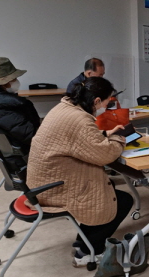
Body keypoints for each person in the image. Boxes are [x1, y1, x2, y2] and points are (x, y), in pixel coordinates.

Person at [26, 77, 133, 266]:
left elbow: (76, 139)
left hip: (42, 183)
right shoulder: (80, 119)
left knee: (106, 191)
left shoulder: (64, 108)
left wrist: (106, 134)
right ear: (97, 101)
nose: (107, 106)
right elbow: (105, 155)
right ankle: (87, 252)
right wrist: (119, 138)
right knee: (119, 200)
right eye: (107, 101)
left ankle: (84, 240)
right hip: (53, 188)